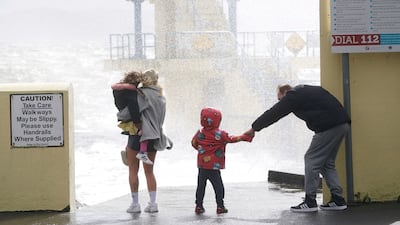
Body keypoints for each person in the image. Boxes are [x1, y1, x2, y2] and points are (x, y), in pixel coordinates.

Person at [245, 84, 351, 213]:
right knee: (326, 163)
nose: (280, 102)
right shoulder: (304, 90)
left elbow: (274, 113)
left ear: (284, 92)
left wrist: (254, 128)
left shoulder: (293, 95)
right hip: (341, 124)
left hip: (328, 127)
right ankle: (338, 200)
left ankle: (310, 201)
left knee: (311, 159)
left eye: (280, 99)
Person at [117, 69, 171, 214]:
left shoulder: (140, 94)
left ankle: (135, 204)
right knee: (149, 172)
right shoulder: (161, 97)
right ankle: (153, 204)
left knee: (133, 170)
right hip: (154, 137)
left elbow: (128, 112)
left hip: (137, 136)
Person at [192, 107, 253, 214]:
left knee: (201, 186)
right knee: (218, 186)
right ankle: (220, 206)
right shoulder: (220, 134)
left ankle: (198, 206)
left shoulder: (200, 132)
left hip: (202, 165)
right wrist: (244, 137)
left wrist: (201, 150)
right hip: (214, 167)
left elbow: (193, 143)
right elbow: (232, 139)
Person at [112, 71, 153, 165]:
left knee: (131, 133)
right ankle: (136, 152)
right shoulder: (130, 93)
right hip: (130, 117)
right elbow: (133, 107)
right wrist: (137, 122)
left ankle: (127, 151)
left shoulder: (119, 91)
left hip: (124, 116)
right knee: (139, 132)